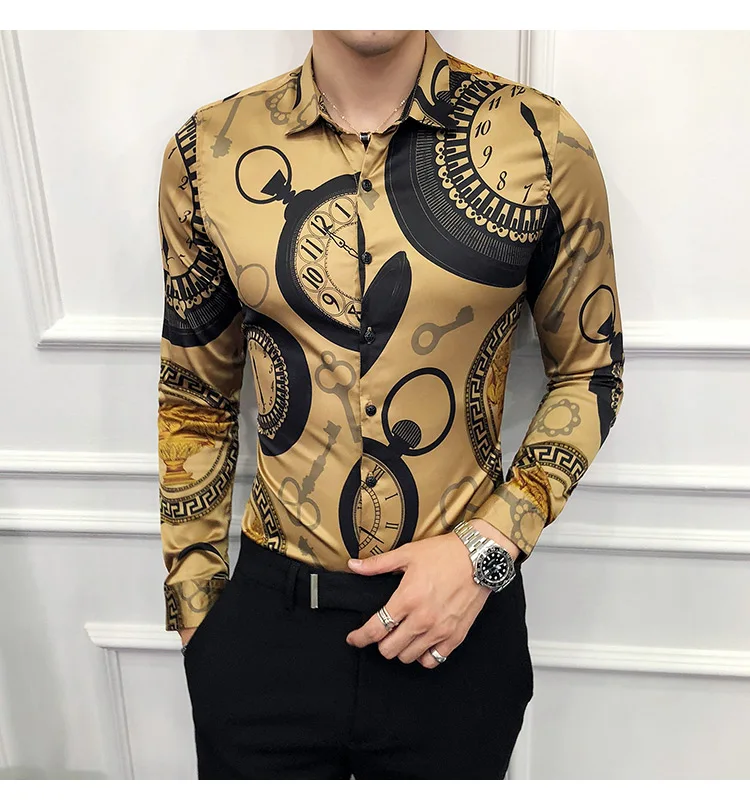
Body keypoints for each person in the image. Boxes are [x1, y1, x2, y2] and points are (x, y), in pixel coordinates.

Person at [156, 29, 624, 780]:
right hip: (266, 637)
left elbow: (591, 370)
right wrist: (199, 622)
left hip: (459, 632)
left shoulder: (541, 141)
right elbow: (196, 398)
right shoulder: (207, 153)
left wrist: (486, 552)